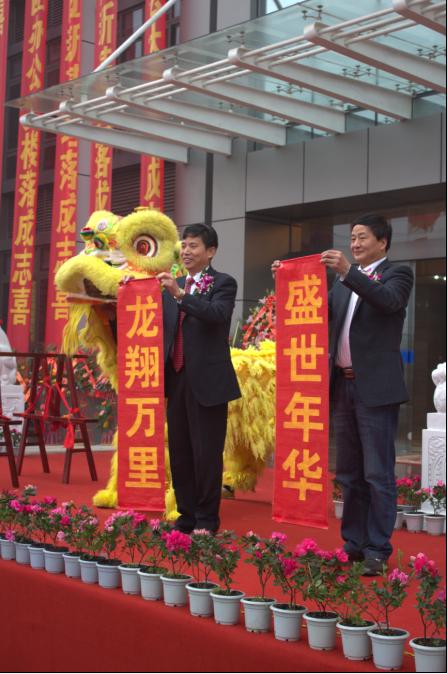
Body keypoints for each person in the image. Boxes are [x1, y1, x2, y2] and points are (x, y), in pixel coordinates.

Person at [320, 213, 414, 575]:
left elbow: (387, 301)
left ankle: (377, 548)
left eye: (362, 237)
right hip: (342, 385)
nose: (355, 244)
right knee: (349, 474)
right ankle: (354, 544)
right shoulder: (343, 283)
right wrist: (289, 280)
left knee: (377, 473)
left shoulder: (397, 274)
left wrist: (348, 272)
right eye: (352, 238)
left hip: (375, 389)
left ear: (382, 242)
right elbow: (321, 313)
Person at [157, 224, 241, 534]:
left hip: (208, 382)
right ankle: (186, 517)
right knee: (180, 452)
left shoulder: (223, 283)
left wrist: (181, 296)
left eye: (193, 246)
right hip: (177, 378)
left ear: (211, 251)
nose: (186, 251)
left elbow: (217, 314)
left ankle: (206, 520)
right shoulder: (173, 285)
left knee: (206, 454)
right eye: (184, 245)